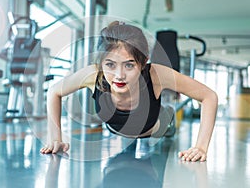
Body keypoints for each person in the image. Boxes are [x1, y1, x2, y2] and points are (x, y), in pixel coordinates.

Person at [40, 21, 218, 162]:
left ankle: (169, 115)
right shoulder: (93, 74)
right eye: (110, 64)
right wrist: (56, 138)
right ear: (100, 63)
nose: (119, 75)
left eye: (129, 65)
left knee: (166, 123)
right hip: (117, 129)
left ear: (143, 63)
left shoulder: (156, 74)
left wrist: (201, 147)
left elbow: (209, 96)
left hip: (155, 127)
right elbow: (54, 92)